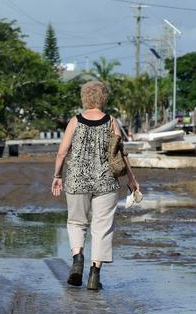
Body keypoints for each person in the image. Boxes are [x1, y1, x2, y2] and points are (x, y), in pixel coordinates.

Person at [51, 80, 139, 291]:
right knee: (101, 227)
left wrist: (57, 175)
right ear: (103, 98)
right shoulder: (111, 122)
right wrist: (132, 180)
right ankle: (94, 274)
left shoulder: (75, 121)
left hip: (77, 180)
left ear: (85, 98)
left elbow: (62, 151)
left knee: (76, 222)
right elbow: (120, 153)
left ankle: (77, 258)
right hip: (106, 181)